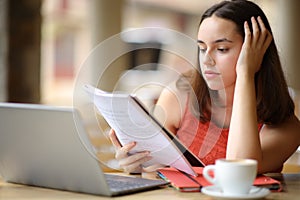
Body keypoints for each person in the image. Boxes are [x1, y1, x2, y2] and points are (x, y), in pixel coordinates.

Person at [109, 0, 300, 174]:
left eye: (222, 49)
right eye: (202, 48)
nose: (206, 60)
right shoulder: (178, 97)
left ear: (257, 53)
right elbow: (155, 169)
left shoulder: (286, 127)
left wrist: (245, 73)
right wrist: (136, 165)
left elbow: (239, 169)